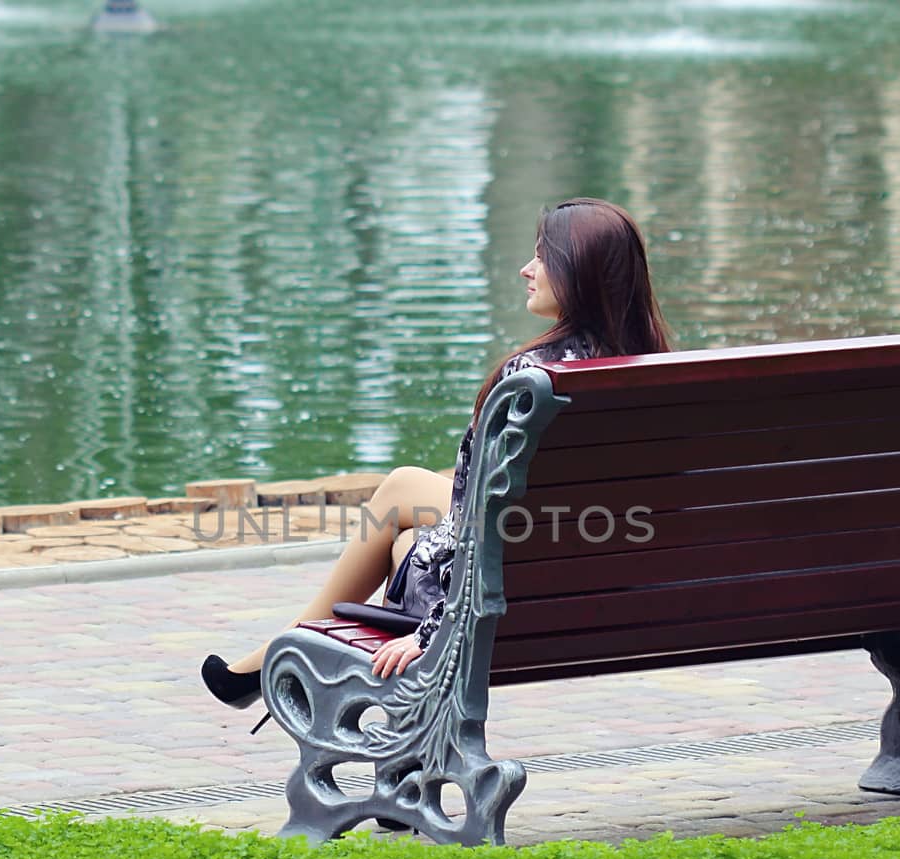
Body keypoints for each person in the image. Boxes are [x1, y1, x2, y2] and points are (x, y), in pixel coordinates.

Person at [201, 197, 672, 710]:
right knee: (404, 485)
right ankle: (282, 648)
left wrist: (430, 635)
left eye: (542, 257)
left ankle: (289, 648)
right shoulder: (652, 369)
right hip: (598, 586)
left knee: (405, 541)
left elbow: (483, 530)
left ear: (577, 272)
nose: (526, 268)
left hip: (503, 605)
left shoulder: (532, 383)